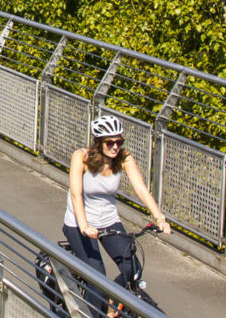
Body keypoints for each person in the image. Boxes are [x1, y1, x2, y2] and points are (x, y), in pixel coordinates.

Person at [64, 114, 171, 288]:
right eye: (110, 142)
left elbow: (141, 190)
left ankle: (112, 306)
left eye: (119, 142)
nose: (115, 147)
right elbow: (76, 194)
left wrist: (159, 218)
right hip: (79, 223)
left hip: (108, 220)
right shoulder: (81, 157)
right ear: (98, 142)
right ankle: (90, 315)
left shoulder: (124, 158)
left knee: (133, 271)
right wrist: (84, 226)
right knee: (96, 279)